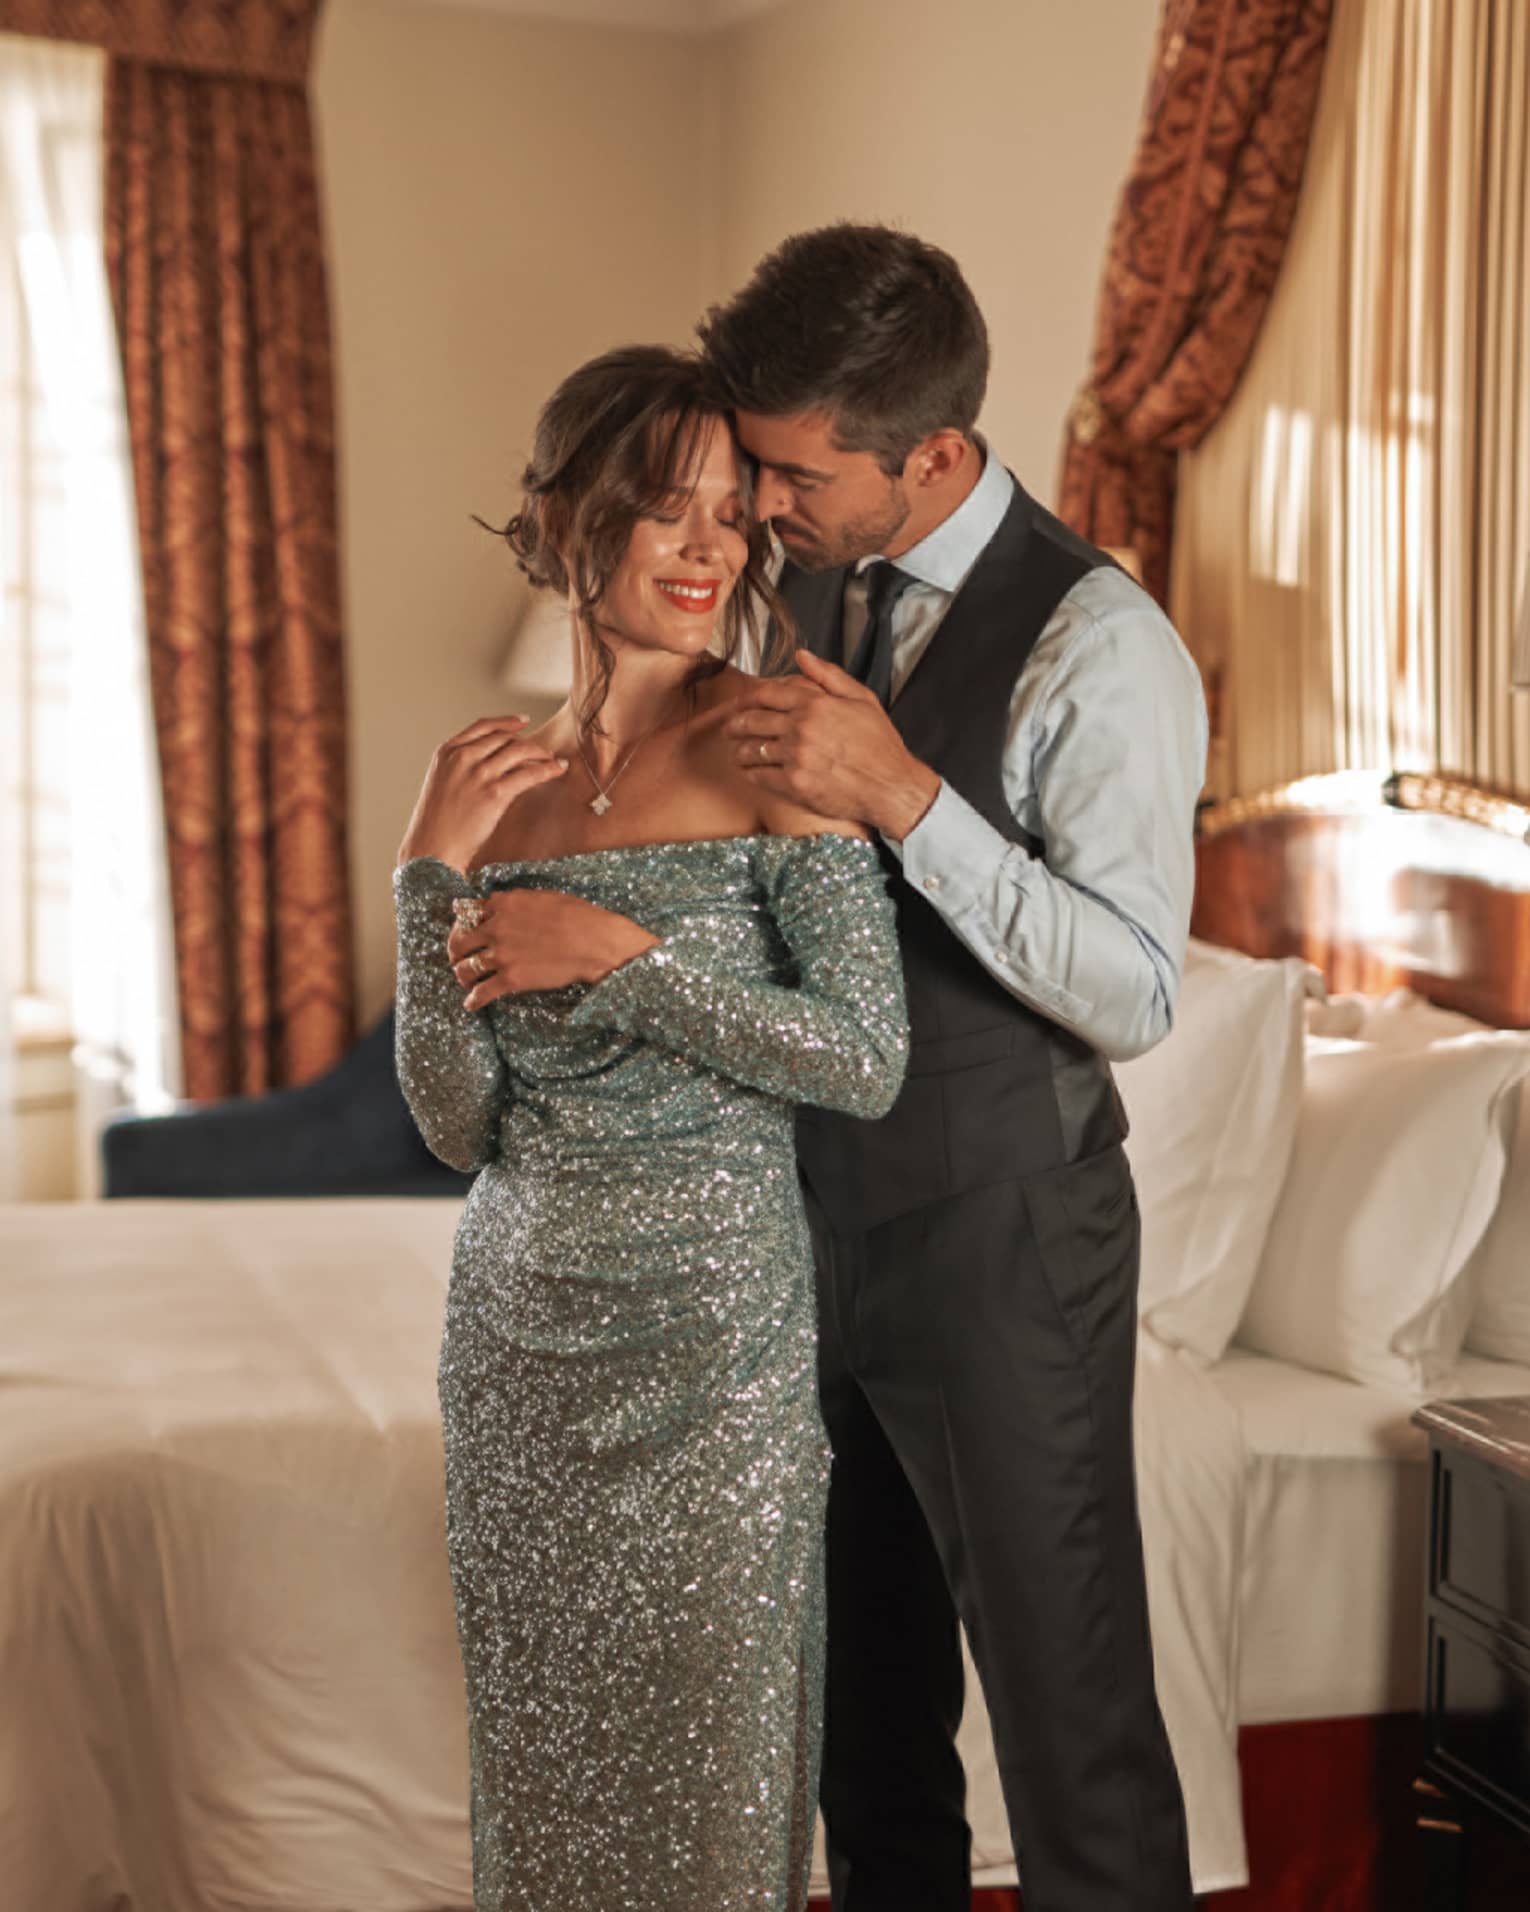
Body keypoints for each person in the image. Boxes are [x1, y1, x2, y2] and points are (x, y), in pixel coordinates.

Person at [699, 224, 1207, 1912]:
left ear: (926, 453)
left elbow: (1133, 988)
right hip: (821, 1218)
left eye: (789, 471)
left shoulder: (1102, 643)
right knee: (865, 1709)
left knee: (1069, 1728)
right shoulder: (823, 583)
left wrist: (905, 797)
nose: (763, 503)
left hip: (1006, 1235)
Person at [390, 343, 909, 1912]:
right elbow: (455, 1124)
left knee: (713, 1792)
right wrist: (428, 882)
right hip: (518, 1352)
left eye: (732, 518)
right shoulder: (501, 787)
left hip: (714, 1358)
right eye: (663, 511)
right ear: (566, 525)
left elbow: (865, 1056)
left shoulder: (772, 744)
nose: (708, 549)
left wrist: (624, 962)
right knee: (547, 1799)